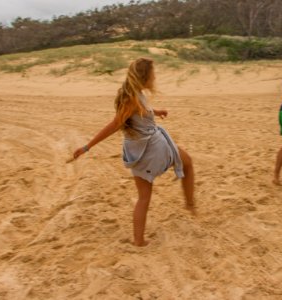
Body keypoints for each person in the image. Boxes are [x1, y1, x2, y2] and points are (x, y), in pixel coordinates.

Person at [72, 58, 195, 247]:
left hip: (138, 151)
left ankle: (138, 240)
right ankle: (190, 204)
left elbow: (141, 110)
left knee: (144, 197)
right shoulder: (132, 99)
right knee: (186, 162)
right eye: (153, 74)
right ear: (145, 77)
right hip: (152, 148)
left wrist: (156, 111)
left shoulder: (135, 95)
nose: (154, 77)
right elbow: (114, 124)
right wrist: (87, 146)